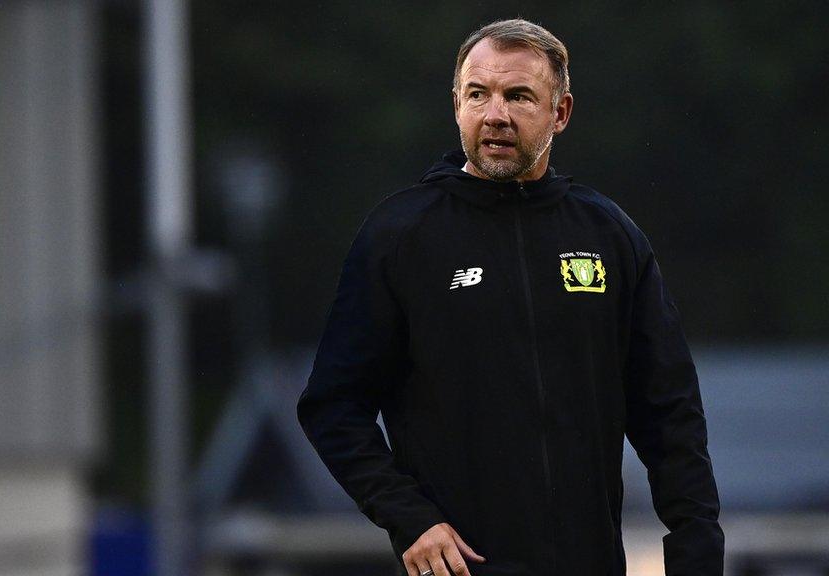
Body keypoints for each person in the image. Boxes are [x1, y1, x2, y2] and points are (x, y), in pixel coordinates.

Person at [297, 18, 724, 576]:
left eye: (518, 95)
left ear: (561, 112)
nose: (494, 114)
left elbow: (671, 417)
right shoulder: (400, 235)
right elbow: (333, 405)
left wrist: (697, 554)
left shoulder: (608, 235)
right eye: (479, 94)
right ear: (457, 105)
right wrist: (409, 518)